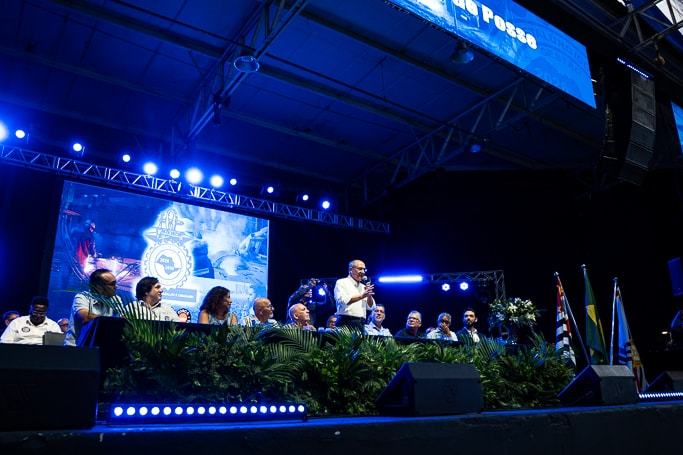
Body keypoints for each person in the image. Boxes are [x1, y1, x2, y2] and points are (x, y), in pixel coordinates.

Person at [64, 268, 119, 346]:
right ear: (98, 287)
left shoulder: (115, 300)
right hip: (76, 348)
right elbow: (86, 318)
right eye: (112, 284)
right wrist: (114, 322)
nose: (116, 287)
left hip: (100, 348)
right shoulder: (82, 297)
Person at [334, 259, 376, 330]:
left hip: (361, 323)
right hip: (346, 321)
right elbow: (343, 301)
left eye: (364, 269)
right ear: (350, 270)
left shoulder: (363, 286)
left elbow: (371, 307)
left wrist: (369, 295)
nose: (363, 272)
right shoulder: (342, 282)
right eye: (360, 269)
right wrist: (362, 296)